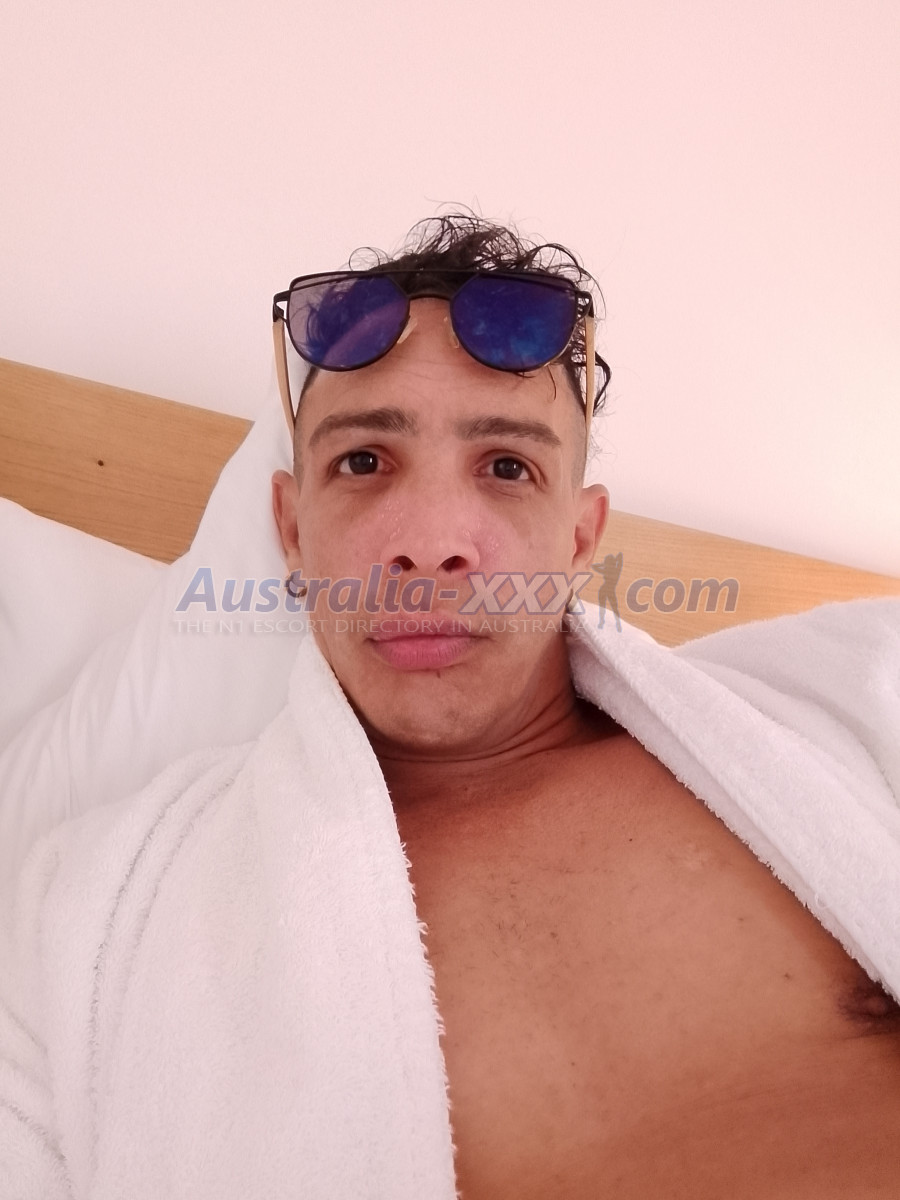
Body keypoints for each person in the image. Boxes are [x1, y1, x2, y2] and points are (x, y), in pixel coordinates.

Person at [1, 214, 898, 1199]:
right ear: (291, 532)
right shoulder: (85, 921)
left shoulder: (859, 709)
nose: (430, 543)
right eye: (363, 461)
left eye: (508, 466)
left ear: (578, 538)